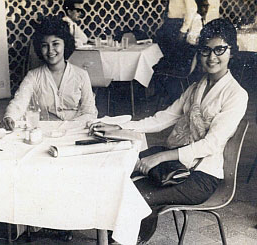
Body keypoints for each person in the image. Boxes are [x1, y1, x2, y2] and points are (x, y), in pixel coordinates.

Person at [89, 18, 248, 243]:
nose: (212, 57)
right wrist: (121, 126)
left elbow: (211, 144)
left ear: (232, 52)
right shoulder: (197, 87)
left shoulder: (236, 95)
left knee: (138, 195)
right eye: (206, 50)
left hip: (202, 178)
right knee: (122, 174)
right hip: (178, 166)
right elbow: (162, 118)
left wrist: (160, 156)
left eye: (220, 49)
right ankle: (128, 237)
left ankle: (129, 239)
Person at [1, 15, 97, 131]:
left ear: (65, 44)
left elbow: (89, 112)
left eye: (55, 44)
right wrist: (10, 116)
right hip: (45, 132)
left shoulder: (81, 75)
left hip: (75, 131)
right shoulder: (33, 76)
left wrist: (69, 126)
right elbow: (19, 103)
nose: (50, 50)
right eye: (45, 46)